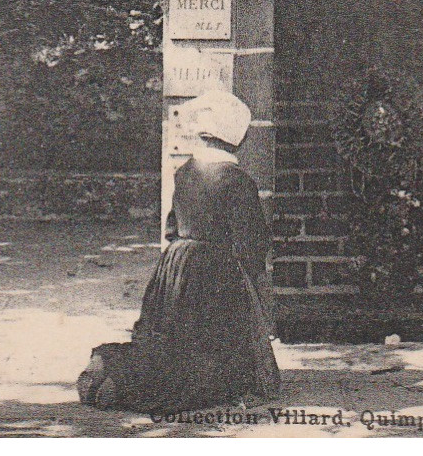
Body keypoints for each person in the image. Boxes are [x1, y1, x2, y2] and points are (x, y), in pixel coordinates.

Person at [78, 94, 280, 413]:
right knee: (208, 369)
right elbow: (250, 242)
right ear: (237, 141)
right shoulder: (238, 182)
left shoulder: (185, 173)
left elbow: (172, 228)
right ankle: (123, 385)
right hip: (214, 272)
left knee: (166, 344)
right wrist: (252, 284)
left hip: (175, 266)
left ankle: (112, 367)